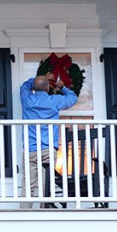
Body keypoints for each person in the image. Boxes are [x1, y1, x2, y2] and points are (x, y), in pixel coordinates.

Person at [20, 72, 78, 206]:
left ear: (34, 88)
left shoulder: (27, 99)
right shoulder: (54, 100)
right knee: (46, 185)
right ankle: (45, 210)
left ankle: (23, 215)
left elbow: (24, 86)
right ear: (47, 88)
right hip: (48, 149)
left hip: (30, 150)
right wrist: (62, 87)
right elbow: (72, 97)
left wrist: (40, 77)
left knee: (28, 185)